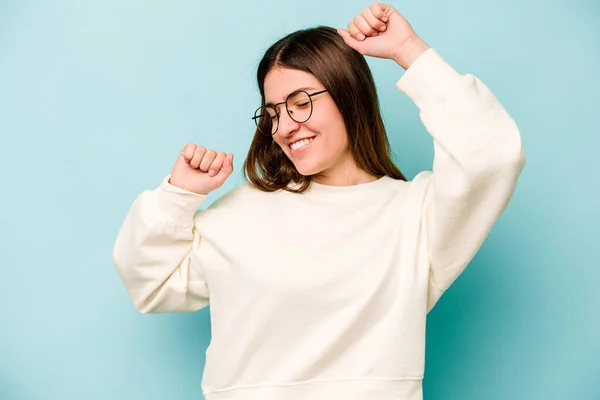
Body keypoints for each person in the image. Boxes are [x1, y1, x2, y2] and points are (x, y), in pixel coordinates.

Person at [112, 3, 526, 399]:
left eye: (301, 102)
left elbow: (491, 155)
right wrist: (177, 196)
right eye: (273, 112)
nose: (285, 127)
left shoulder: (414, 215)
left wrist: (408, 51)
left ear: (349, 95)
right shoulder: (243, 212)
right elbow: (151, 284)